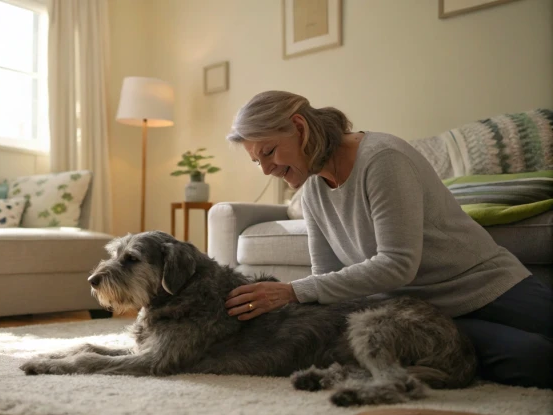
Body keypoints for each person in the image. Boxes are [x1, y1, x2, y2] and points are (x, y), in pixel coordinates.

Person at [223, 90, 552, 389]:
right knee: (537, 360)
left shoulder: (382, 158)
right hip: (424, 318)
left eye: (268, 152)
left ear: (299, 127)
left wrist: (292, 291)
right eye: (257, 161)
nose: (266, 169)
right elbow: (326, 278)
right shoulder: (312, 194)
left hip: (489, 288)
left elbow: (398, 264)